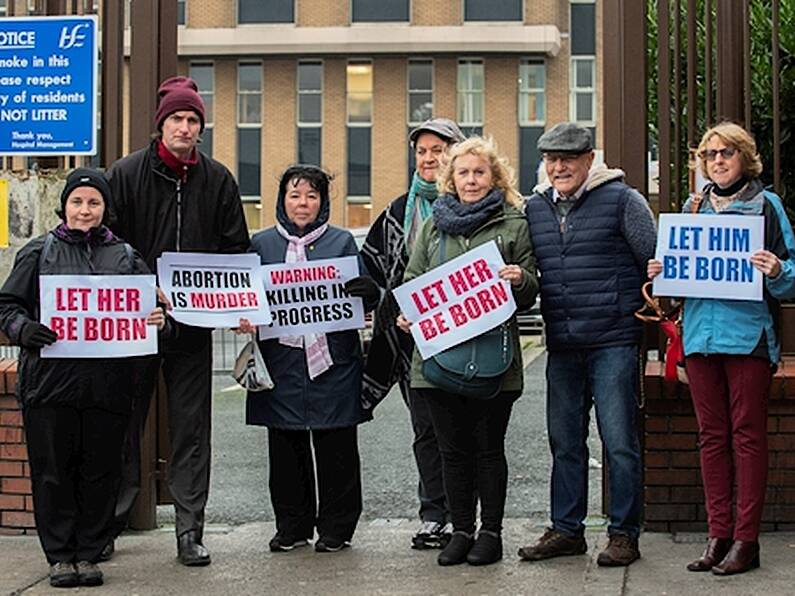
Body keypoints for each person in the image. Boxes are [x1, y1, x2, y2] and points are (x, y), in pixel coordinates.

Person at [105, 76, 250, 566]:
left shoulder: (218, 180)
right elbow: (108, 249)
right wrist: (145, 288)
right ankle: (110, 524)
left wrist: (240, 303)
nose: (185, 128)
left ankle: (190, 530)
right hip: (137, 324)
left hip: (193, 328)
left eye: (193, 121)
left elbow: (236, 251)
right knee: (124, 423)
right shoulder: (125, 176)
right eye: (178, 119)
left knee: (192, 431)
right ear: (160, 125)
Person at [0, 169, 168, 588]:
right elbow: (6, 306)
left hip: (108, 386)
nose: (85, 210)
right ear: (65, 206)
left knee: (102, 471)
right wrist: (24, 329)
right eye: (78, 201)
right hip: (49, 386)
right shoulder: (39, 251)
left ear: (105, 209)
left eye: (93, 203)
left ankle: (90, 553)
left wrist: (158, 321)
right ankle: (60, 557)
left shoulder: (126, 257)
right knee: (53, 472)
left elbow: (156, 315)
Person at [647, 122, 795, 575]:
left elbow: (790, 275)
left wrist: (775, 270)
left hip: (747, 337)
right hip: (701, 338)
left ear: (745, 158)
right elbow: (674, 284)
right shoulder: (693, 208)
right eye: (709, 153)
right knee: (711, 438)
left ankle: (745, 541)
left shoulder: (766, 206)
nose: (717, 160)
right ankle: (719, 535)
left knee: (747, 437)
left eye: (726, 152)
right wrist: (660, 270)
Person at [519, 122, 656, 567]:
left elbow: (653, 259)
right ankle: (566, 530)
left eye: (569, 159)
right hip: (562, 342)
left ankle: (623, 535)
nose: (559, 167)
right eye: (552, 159)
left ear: (589, 159)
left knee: (618, 442)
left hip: (614, 340)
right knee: (565, 443)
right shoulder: (534, 208)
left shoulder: (623, 200)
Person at [398, 136, 539, 566]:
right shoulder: (432, 227)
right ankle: (461, 530)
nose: (472, 180)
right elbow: (413, 277)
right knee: (451, 452)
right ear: (450, 179)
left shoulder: (514, 223)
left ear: (494, 176)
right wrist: (407, 314)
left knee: (488, 450)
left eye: (480, 172)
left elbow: (534, 288)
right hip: (436, 362)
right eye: (464, 173)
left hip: (494, 362)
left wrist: (520, 280)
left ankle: (490, 533)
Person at [236, 165, 379, 554]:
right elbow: (243, 298)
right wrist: (241, 317)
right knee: (285, 449)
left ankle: (337, 528)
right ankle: (292, 526)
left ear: (323, 202)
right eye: (295, 195)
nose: (303, 204)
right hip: (280, 361)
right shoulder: (261, 244)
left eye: (312, 196)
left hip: (333, 361)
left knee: (337, 448)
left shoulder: (342, 242)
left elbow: (365, 297)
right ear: (282, 200)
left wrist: (369, 292)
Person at [360, 117, 465, 549]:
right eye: (421, 151)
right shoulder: (396, 213)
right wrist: (379, 298)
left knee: (465, 433)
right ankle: (434, 515)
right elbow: (369, 270)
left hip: (464, 338)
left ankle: (468, 517)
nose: (428, 158)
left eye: (438, 151)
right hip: (411, 346)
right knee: (425, 431)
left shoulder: (472, 205)